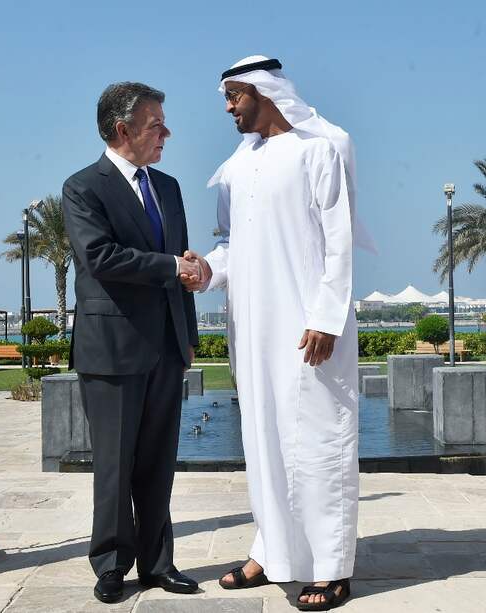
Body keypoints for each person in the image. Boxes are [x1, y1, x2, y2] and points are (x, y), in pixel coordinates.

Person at [182, 56, 366, 611]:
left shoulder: (319, 150)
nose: (228, 107)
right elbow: (232, 245)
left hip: (311, 328)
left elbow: (339, 240)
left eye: (234, 96)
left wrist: (327, 317)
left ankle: (331, 567)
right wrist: (209, 270)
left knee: (319, 441)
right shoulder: (236, 167)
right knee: (261, 440)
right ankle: (272, 549)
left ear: (265, 93)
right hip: (252, 327)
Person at [61, 81, 201, 604]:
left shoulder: (168, 187)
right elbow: (102, 258)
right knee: (115, 466)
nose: (166, 132)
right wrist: (171, 267)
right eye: (155, 124)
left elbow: (182, 270)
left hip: (166, 346)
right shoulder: (83, 188)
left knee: (158, 462)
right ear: (123, 130)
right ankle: (111, 564)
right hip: (112, 350)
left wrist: (186, 336)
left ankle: (158, 563)